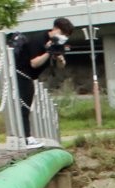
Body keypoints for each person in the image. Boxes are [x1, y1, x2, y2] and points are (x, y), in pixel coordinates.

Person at [10, 17, 74, 149]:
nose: (63, 38)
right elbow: (34, 63)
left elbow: (61, 66)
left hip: (30, 77)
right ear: (55, 29)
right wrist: (48, 52)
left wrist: (59, 58)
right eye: (62, 34)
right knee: (24, 107)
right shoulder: (38, 40)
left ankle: (26, 137)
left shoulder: (58, 44)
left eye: (66, 36)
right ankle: (26, 138)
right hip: (21, 74)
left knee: (27, 106)